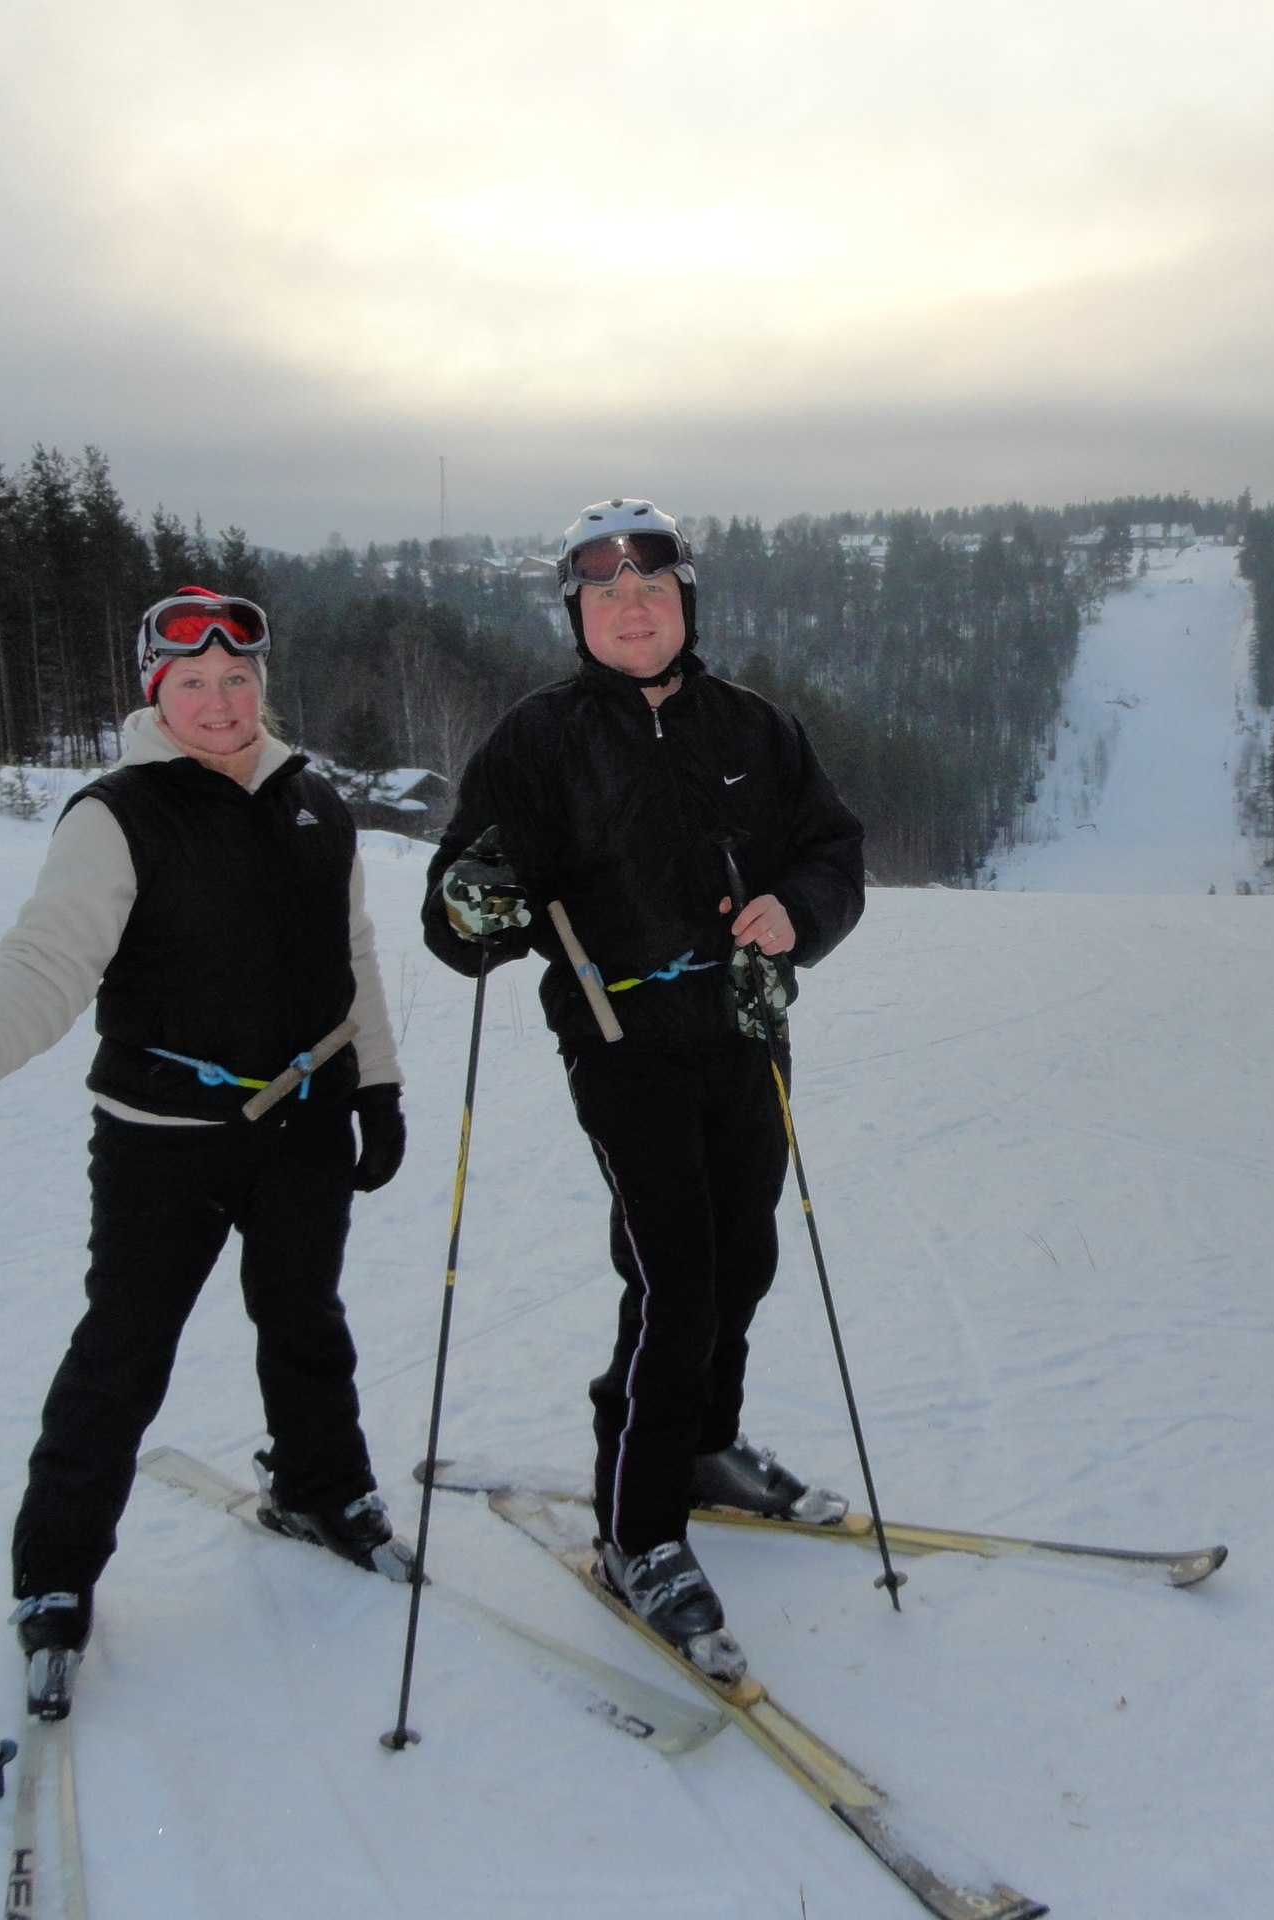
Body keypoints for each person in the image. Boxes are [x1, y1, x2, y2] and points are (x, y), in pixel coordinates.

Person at [0, 586, 408, 1715]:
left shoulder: (315, 802)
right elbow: (45, 967)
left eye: (237, 678)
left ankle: (320, 1487)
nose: (220, 701)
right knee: (124, 1351)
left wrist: (380, 1084)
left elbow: (351, 953)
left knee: (305, 1320)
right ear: (156, 691)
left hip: (306, 1119)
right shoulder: (116, 814)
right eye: (193, 682)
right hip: (166, 1138)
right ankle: (56, 1575)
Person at [420, 499, 865, 1684]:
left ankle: (706, 1447)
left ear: (685, 603)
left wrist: (799, 913)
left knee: (744, 1255)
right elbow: (457, 921)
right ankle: (639, 1529)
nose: (632, 608)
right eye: (607, 593)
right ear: (577, 614)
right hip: (621, 1040)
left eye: (653, 589)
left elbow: (832, 851)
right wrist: (475, 900)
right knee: (676, 1278)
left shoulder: (753, 726)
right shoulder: (536, 740)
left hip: (743, 1030)